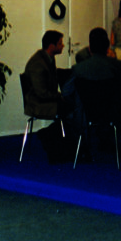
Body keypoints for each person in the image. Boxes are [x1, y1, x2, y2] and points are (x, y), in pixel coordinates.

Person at [64, 27, 121, 155]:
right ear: (107, 47)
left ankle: (83, 147)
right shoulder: (116, 65)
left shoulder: (78, 69)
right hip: (113, 113)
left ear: (90, 48)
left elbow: (66, 92)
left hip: (87, 113)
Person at [24, 30, 75, 162]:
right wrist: (59, 97)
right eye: (60, 43)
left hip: (45, 100)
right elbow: (41, 93)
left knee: (71, 108)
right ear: (52, 46)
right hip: (37, 104)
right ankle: (52, 136)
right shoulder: (38, 64)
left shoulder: (47, 59)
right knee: (72, 111)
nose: (63, 46)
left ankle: (57, 139)